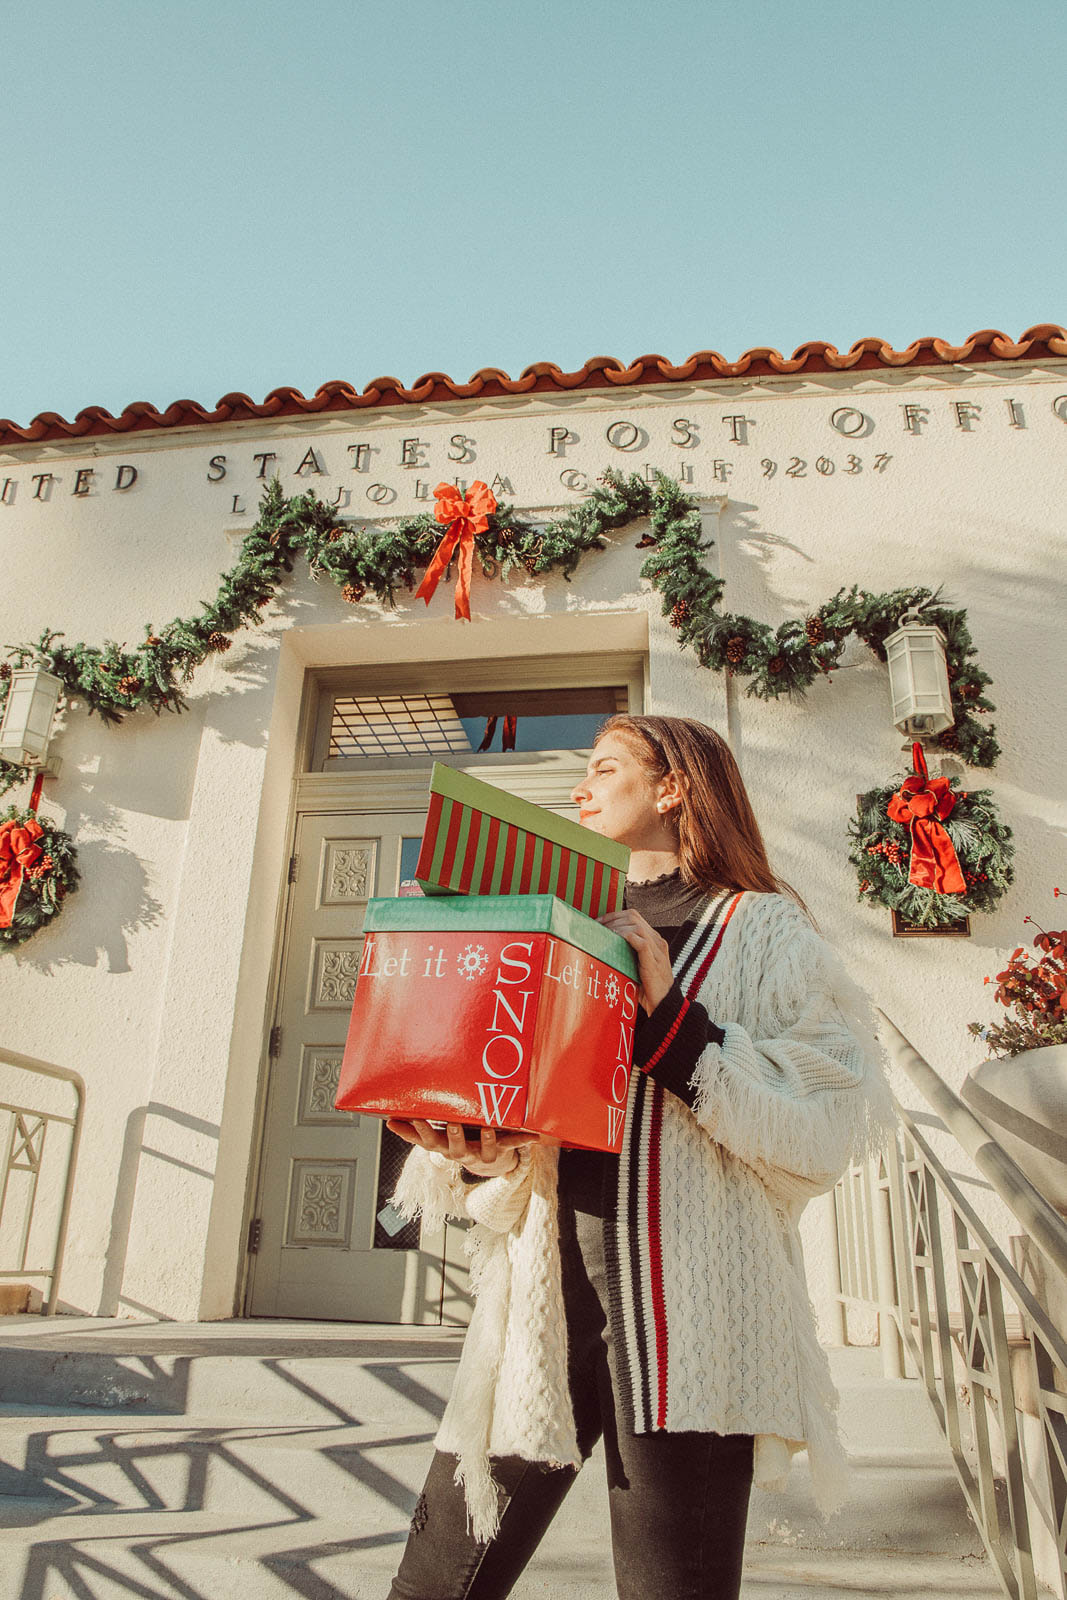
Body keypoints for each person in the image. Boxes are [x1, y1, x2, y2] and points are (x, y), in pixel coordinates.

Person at [384, 714, 890, 1600]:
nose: (578, 788)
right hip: (544, 1308)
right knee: (434, 1587)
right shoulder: (558, 925)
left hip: (695, 1321)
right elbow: (517, 1095)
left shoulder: (762, 929)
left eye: (603, 767)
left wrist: (673, 1025)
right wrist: (470, 1145)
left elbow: (823, 1118)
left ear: (672, 789)